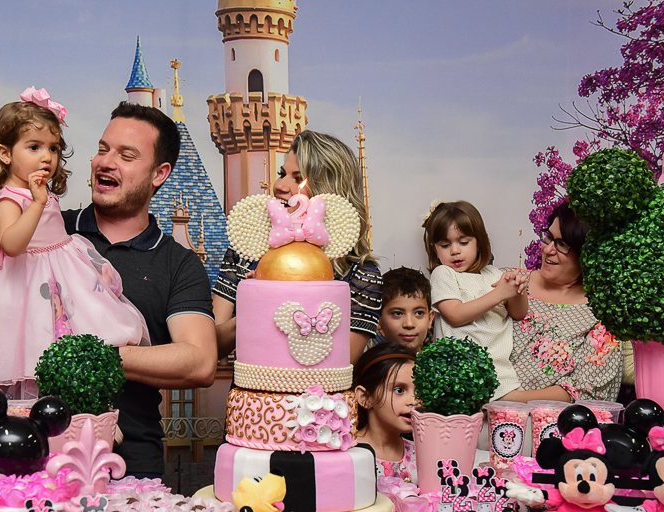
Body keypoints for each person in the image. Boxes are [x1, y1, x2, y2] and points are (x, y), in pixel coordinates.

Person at [0, 89, 149, 397]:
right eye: (34, 147)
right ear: (5, 154)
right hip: (27, 284)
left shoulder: (41, 191)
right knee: (34, 347)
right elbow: (12, 245)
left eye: (54, 148)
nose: (47, 157)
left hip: (61, 275)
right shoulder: (8, 199)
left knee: (83, 330)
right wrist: (36, 203)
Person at [61, 102, 216, 478]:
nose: (106, 162)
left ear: (159, 173)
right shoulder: (51, 232)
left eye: (126, 155)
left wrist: (95, 357)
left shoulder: (178, 263)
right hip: (32, 452)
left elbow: (200, 361)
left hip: (130, 463)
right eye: (103, 149)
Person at [213, 130, 381, 364]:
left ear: (330, 190)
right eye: (282, 174)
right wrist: (257, 299)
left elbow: (338, 365)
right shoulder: (245, 251)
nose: (280, 185)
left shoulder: (362, 274)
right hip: (251, 388)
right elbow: (212, 348)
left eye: (297, 178)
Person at [507, 201, 622, 402]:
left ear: (587, 256)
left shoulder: (602, 317)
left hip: (543, 418)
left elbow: (586, 391)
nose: (549, 249)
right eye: (549, 238)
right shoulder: (511, 281)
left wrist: (509, 400)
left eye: (562, 245)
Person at [423, 200, 528, 400]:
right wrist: (499, 294)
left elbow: (519, 313)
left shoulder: (494, 274)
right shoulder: (443, 274)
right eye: (445, 245)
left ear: (479, 241)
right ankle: (553, 397)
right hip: (459, 372)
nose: (455, 251)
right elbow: (454, 315)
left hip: (499, 371)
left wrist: (517, 290)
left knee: (511, 409)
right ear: (434, 249)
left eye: (463, 243)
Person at [353, 341, 418, 483]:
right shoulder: (348, 454)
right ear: (364, 398)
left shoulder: (421, 454)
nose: (414, 401)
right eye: (399, 390)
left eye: (418, 391)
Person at [374, 267, 434, 353]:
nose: (409, 324)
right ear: (378, 319)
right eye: (398, 313)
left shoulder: (440, 360)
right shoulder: (369, 360)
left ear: (430, 319)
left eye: (419, 313)